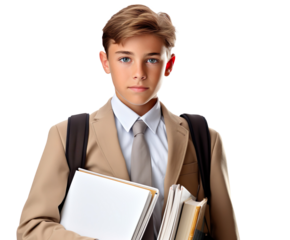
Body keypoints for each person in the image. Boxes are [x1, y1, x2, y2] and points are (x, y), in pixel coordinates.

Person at [15, 3, 241, 240]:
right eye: (125, 59)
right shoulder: (68, 135)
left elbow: (226, 233)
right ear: (104, 62)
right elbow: (31, 227)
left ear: (170, 65)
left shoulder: (205, 139)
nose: (139, 73)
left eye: (152, 60)